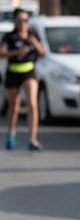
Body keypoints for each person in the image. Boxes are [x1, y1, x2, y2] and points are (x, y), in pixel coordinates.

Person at [0, 8, 45, 151]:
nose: (22, 23)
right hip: (13, 72)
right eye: (19, 20)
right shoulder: (9, 37)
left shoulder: (33, 35)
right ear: (15, 21)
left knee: (32, 103)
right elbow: (1, 53)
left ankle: (33, 139)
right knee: (14, 107)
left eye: (25, 20)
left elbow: (42, 52)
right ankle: (11, 133)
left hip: (29, 72)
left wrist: (35, 43)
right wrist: (16, 52)